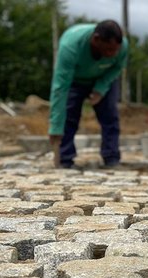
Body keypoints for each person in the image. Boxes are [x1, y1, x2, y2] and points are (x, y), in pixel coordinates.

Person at [49, 20, 128, 169]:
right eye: (109, 49)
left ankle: (111, 158)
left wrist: (100, 89)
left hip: (104, 78)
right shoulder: (70, 46)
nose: (113, 54)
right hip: (74, 80)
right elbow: (60, 88)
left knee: (110, 116)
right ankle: (65, 159)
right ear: (96, 39)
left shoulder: (122, 46)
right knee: (69, 116)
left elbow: (117, 68)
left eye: (116, 50)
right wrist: (55, 126)